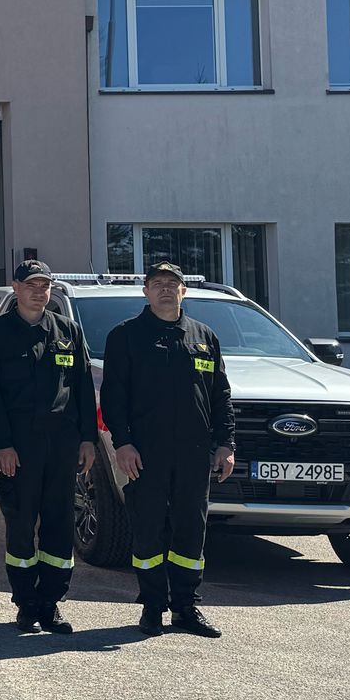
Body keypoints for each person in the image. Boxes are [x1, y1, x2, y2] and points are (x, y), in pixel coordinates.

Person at [99, 261, 234, 639]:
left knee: (191, 530)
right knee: (149, 530)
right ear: (145, 291)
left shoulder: (203, 336)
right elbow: (113, 397)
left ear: (183, 291)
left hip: (194, 453)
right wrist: (123, 443)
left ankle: (186, 608)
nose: (164, 289)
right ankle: (152, 607)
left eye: (171, 283)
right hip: (146, 453)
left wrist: (226, 444)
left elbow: (221, 395)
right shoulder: (126, 336)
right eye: (157, 283)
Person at [0, 260, 97, 634]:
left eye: (44, 285)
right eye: (31, 285)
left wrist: (88, 439)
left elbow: (82, 388)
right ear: (15, 287)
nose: (38, 291)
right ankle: (26, 603)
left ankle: (51, 602)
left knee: (60, 523)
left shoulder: (67, 330)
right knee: (21, 524)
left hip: (62, 443)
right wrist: (1, 445)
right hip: (19, 446)